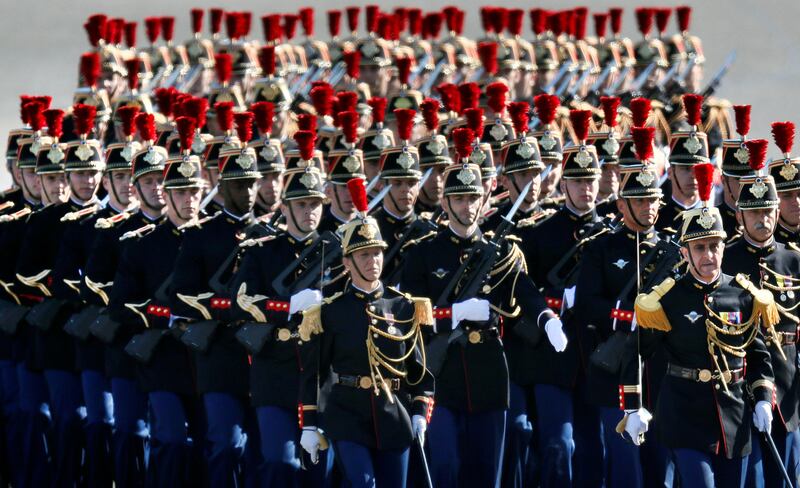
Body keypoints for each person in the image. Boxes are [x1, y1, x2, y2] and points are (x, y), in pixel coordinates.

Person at [401, 127, 566, 488]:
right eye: (459, 199)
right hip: (440, 375)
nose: (467, 206)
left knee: (487, 469)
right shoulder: (425, 253)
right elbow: (408, 312)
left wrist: (547, 318)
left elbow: (524, 289)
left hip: (490, 370)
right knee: (445, 463)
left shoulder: (501, 250)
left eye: (473, 198)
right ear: (445, 204)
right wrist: (454, 315)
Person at [624, 162, 777, 488]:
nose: (709, 255)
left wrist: (764, 396)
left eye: (714, 246)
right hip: (685, 415)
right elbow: (636, 352)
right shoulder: (666, 298)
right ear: (685, 252)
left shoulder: (742, 293)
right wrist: (633, 407)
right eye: (700, 247)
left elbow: (758, 353)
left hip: (733, 416)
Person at [298, 178, 435, 488]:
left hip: (393, 415)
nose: (372, 261)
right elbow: (315, 372)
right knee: (363, 483)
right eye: (363, 255)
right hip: (347, 413)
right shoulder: (331, 311)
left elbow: (418, 370)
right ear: (347, 262)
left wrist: (418, 410)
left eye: (376, 253)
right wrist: (309, 423)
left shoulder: (402, 307)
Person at [230, 129, 336, 486]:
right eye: (302, 204)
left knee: (318, 471)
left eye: (315, 204)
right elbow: (240, 302)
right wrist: (287, 307)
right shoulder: (262, 252)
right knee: (280, 464)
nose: (309, 212)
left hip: (323, 377)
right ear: (286, 207)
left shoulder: (335, 254)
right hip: (275, 373)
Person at [108, 116, 206, 486]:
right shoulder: (142, 243)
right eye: (180, 191)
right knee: (170, 439)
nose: (189, 199)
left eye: (194, 191)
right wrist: (165, 316)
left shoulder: (211, 238)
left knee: (206, 444)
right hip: (161, 357)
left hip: (204, 358)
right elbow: (120, 305)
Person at [511, 109, 602, 487]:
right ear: (563, 185)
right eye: (577, 181)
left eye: (591, 180)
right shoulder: (539, 233)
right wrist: (555, 303)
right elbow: (521, 288)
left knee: (595, 448)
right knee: (559, 445)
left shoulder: (610, 233)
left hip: (595, 357)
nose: (585, 189)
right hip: (550, 356)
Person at [170, 111, 262, 486]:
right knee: (224, 445)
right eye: (240, 186)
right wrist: (232, 306)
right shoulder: (200, 236)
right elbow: (182, 297)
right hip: (220, 357)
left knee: (261, 453)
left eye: (253, 184)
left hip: (263, 360)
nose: (249, 192)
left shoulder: (270, 234)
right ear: (222, 188)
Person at [573, 127, 667, 488]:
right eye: (641, 201)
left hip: (658, 372)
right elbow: (586, 306)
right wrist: (629, 316)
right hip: (615, 372)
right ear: (622, 205)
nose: (649, 207)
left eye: (653, 200)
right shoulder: (602, 249)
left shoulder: (671, 251)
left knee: (660, 465)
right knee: (625, 467)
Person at [82, 111, 168, 487]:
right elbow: (97, 287)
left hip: (173, 348)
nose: (153, 189)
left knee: (173, 437)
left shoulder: (183, 232)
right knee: (131, 432)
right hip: (126, 342)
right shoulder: (115, 231)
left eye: (161, 180)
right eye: (145, 181)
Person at [721, 139, 800, 486]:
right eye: (754, 212)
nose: (763, 220)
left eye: (768, 211)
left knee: (788, 473)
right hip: (741, 381)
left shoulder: (792, 258)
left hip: (787, 377)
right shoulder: (725, 258)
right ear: (740, 215)